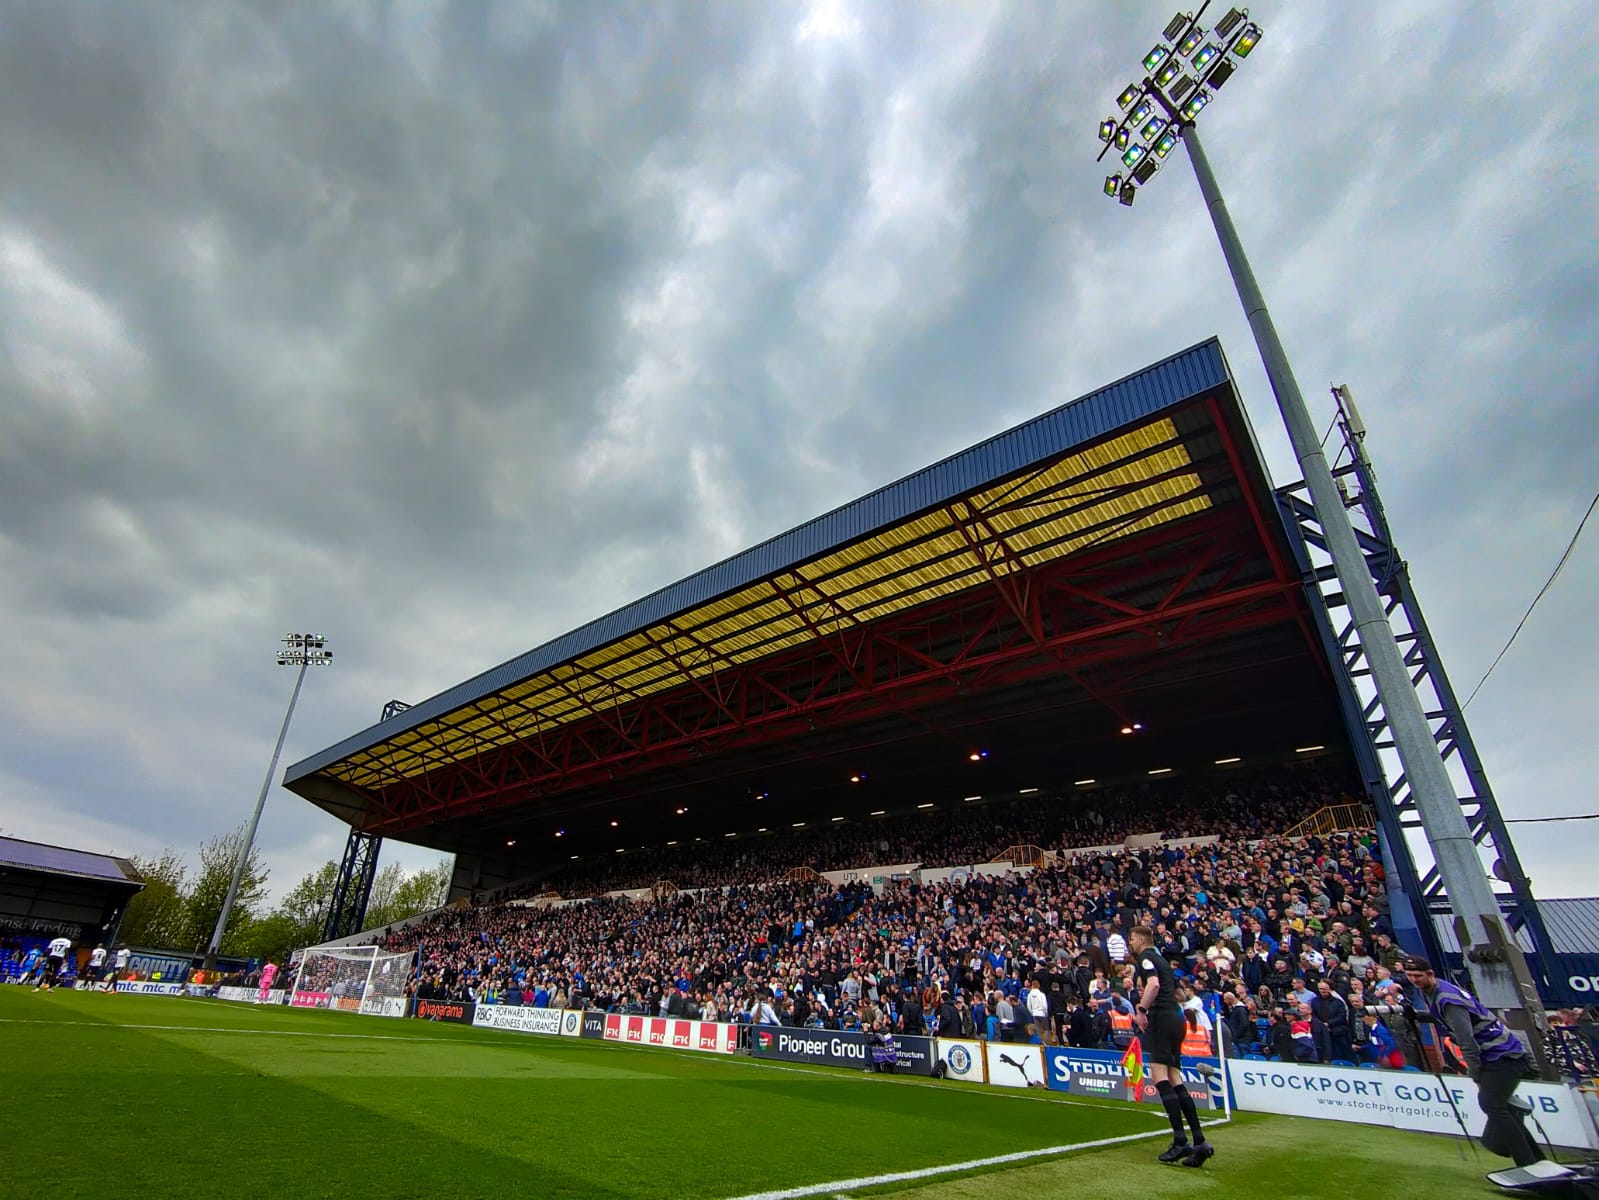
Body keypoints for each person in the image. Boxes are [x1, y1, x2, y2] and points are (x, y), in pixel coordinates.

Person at [1403, 955, 1543, 1167]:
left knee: (1492, 1105)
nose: (1414, 979)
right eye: (1410, 975)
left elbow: (1466, 1040)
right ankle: (1534, 1160)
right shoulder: (1437, 990)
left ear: (1430, 973)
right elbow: (1452, 1019)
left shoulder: (1447, 999)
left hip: (1501, 1054)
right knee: (1499, 1106)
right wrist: (1420, 1016)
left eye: (1418, 975)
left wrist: (1475, 1072)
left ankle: (1527, 1162)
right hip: (1502, 1053)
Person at [1129, 924, 1212, 1168]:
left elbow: (1153, 985)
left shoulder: (1146, 957)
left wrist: (1142, 1010)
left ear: (1141, 940)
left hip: (1163, 1017)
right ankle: (1200, 1142)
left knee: (1159, 1076)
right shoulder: (1162, 959)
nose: (1130, 943)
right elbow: (1177, 992)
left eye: (1132, 939)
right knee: (1175, 1078)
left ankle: (1180, 1140)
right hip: (1177, 1017)